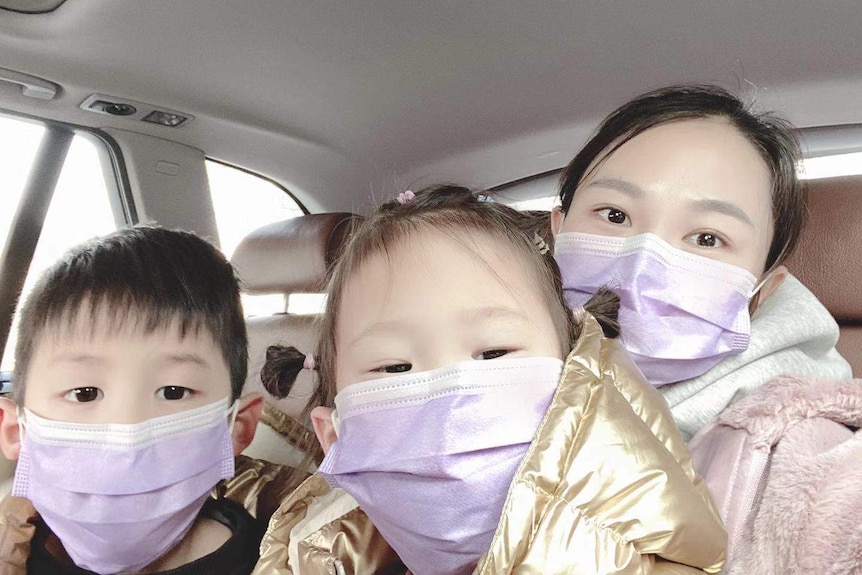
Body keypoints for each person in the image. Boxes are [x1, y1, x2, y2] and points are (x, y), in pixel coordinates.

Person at [257, 186, 726, 574]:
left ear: (579, 390)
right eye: (395, 368)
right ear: (335, 437)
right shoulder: (306, 558)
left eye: (494, 353)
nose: (451, 399)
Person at [550, 84, 851, 440]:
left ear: (763, 290)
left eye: (707, 238)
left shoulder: (800, 434)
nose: (641, 264)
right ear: (557, 230)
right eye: (614, 215)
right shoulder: (479, 360)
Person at [0, 226, 299, 575]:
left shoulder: (278, 560)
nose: (128, 432)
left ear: (237, 428)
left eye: (173, 392)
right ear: (14, 431)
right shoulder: (13, 548)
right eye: (84, 393)